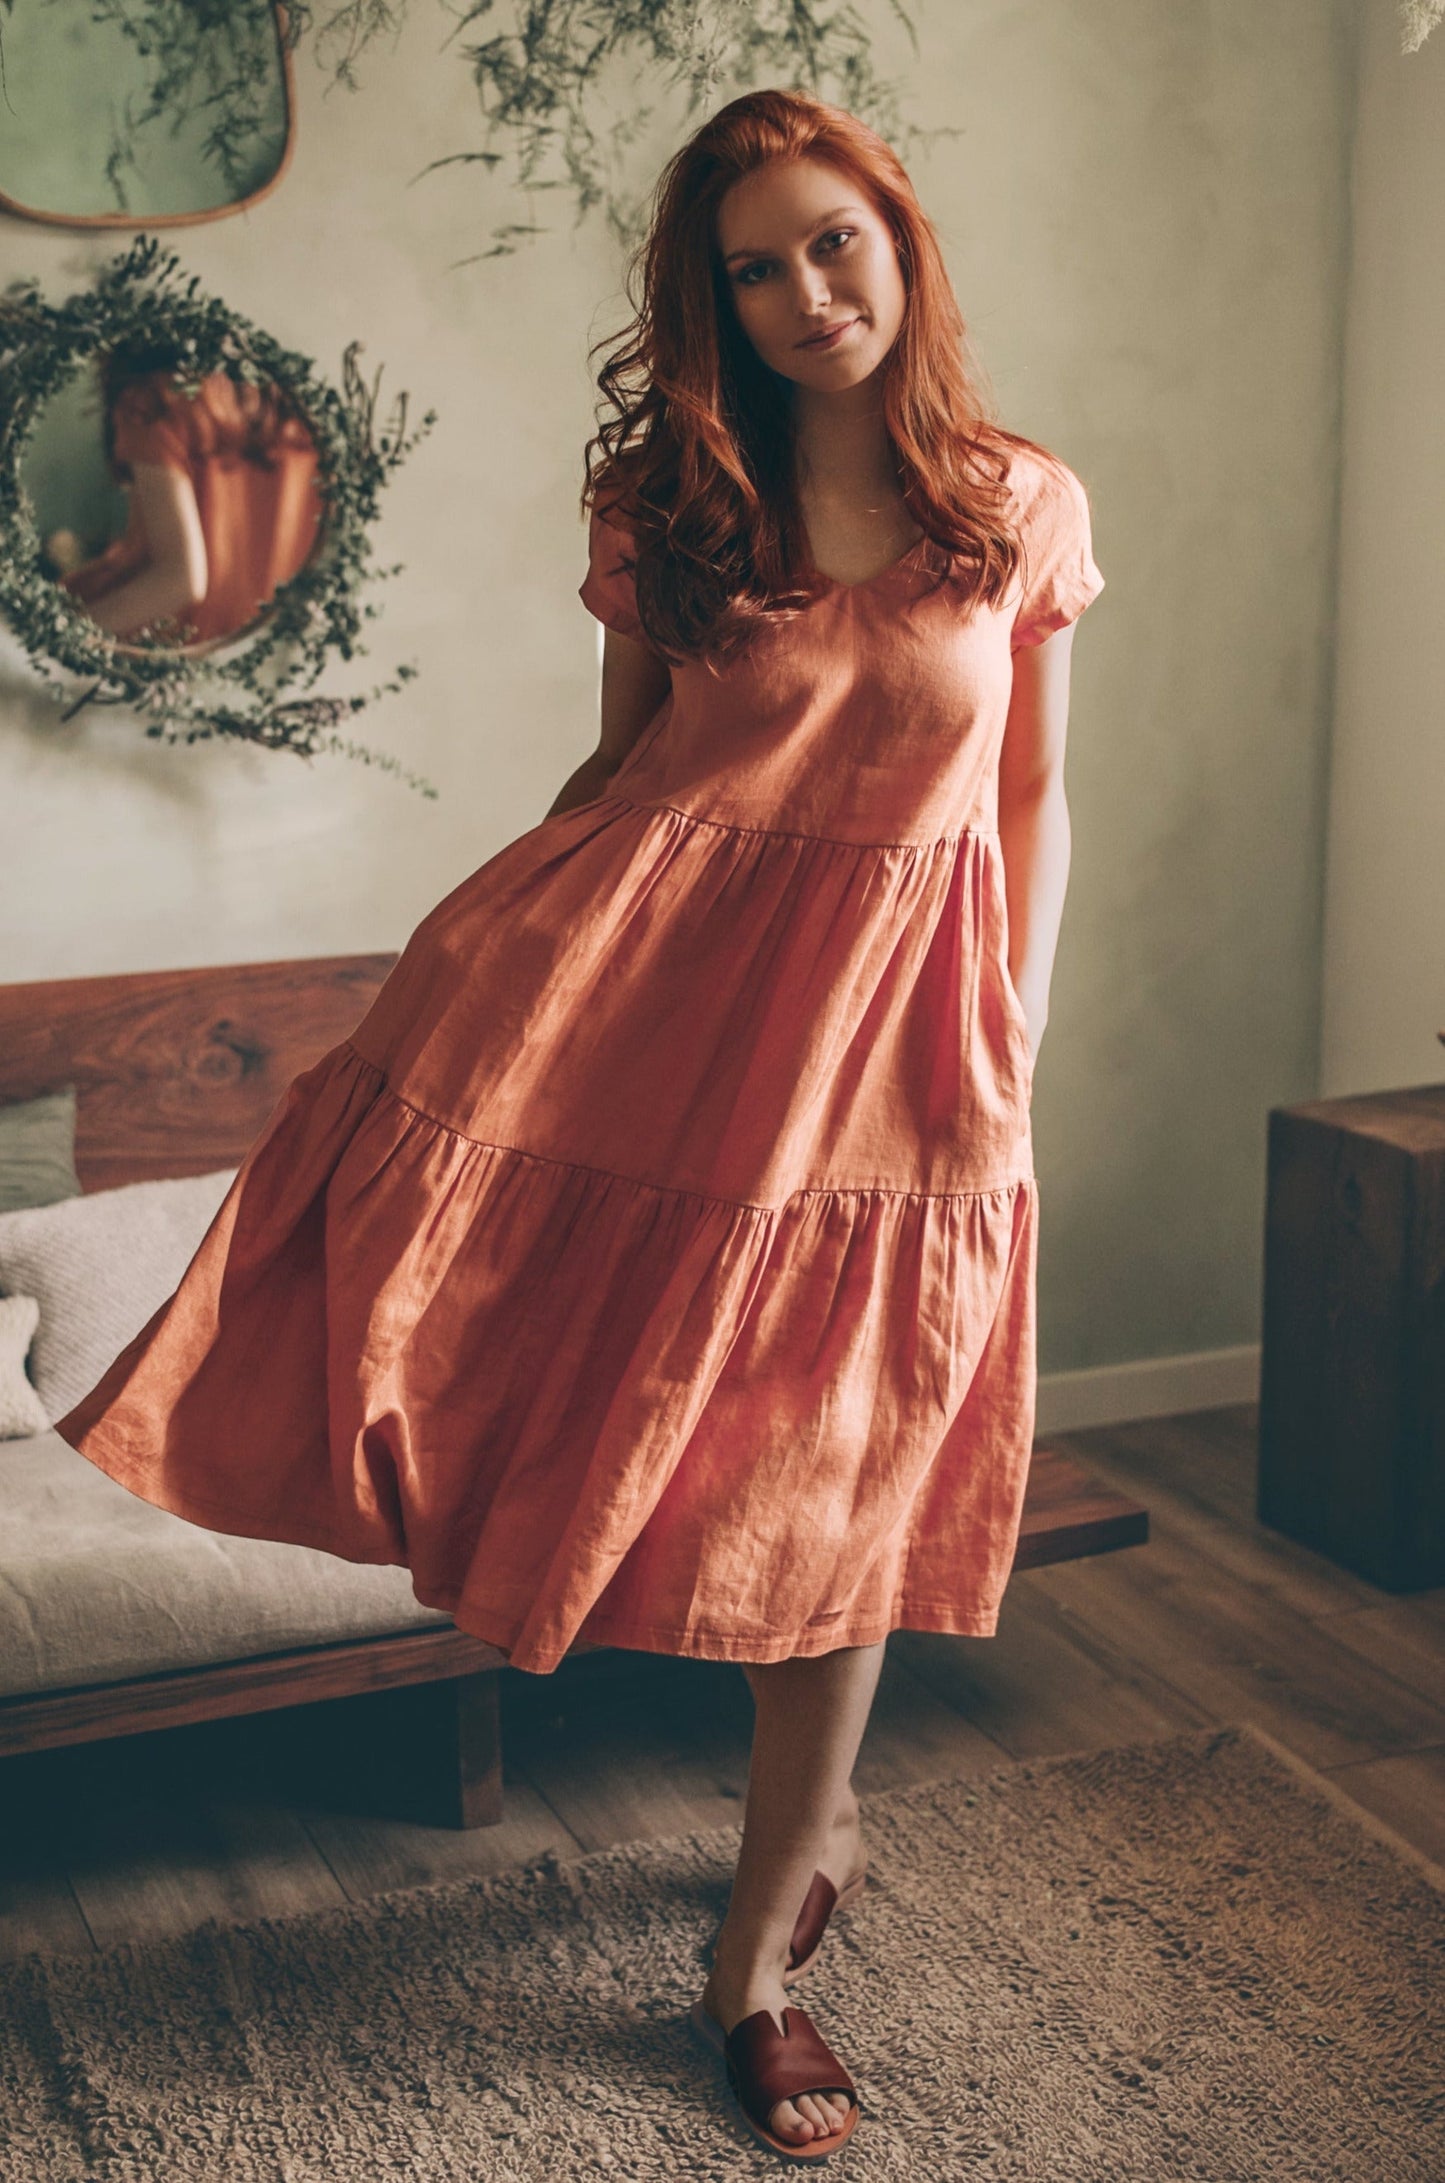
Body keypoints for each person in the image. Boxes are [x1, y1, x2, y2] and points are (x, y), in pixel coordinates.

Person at [53, 87, 1103, 2162]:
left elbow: (1029, 793)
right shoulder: (669, 504)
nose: (805, 294)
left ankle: (756, 1953)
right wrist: (483, 1000)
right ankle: (799, 1861)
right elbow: (621, 778)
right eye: (754, 267)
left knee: (845, 1469)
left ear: (898, 243)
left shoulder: (1017, 504)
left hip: (904, 1042)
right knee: (636, 1413)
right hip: (669, 1011)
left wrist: (1018, 1006)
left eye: (833, 242)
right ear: (714, 302)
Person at [57, 345, 323, 647]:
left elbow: (178, 581)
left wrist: (55, 639)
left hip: (158, 638)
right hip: (251, 643)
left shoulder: (155, 400)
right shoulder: (302, 402)